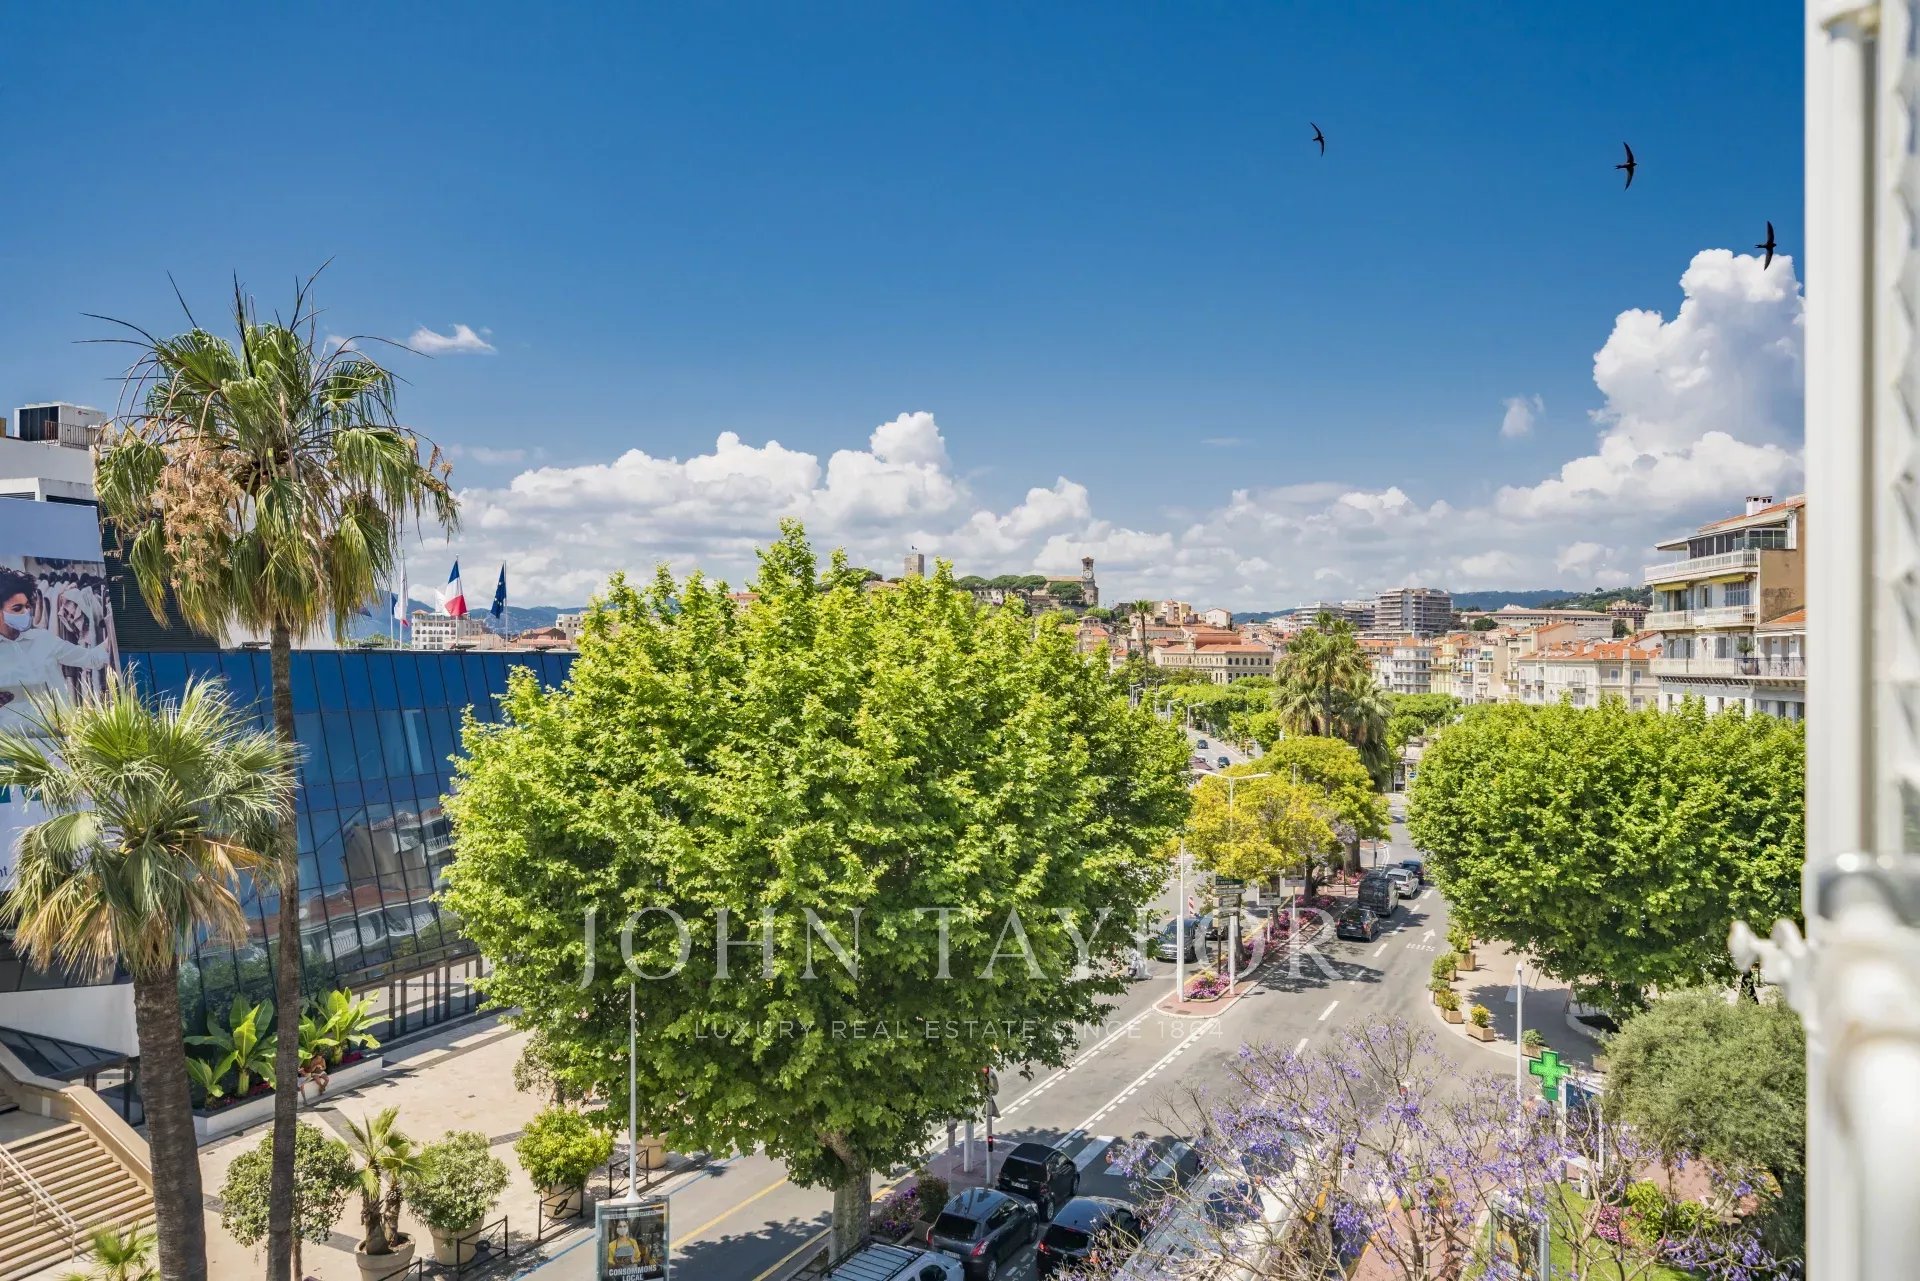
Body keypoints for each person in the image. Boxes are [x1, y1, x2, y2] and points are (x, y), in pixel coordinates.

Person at [0, 566, 111, 730]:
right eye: (17, 608)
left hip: (56, 737)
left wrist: (114, 633)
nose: (26, 612)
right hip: (12, 741)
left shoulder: (43, 639)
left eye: (27, 606)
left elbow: (92, 659)